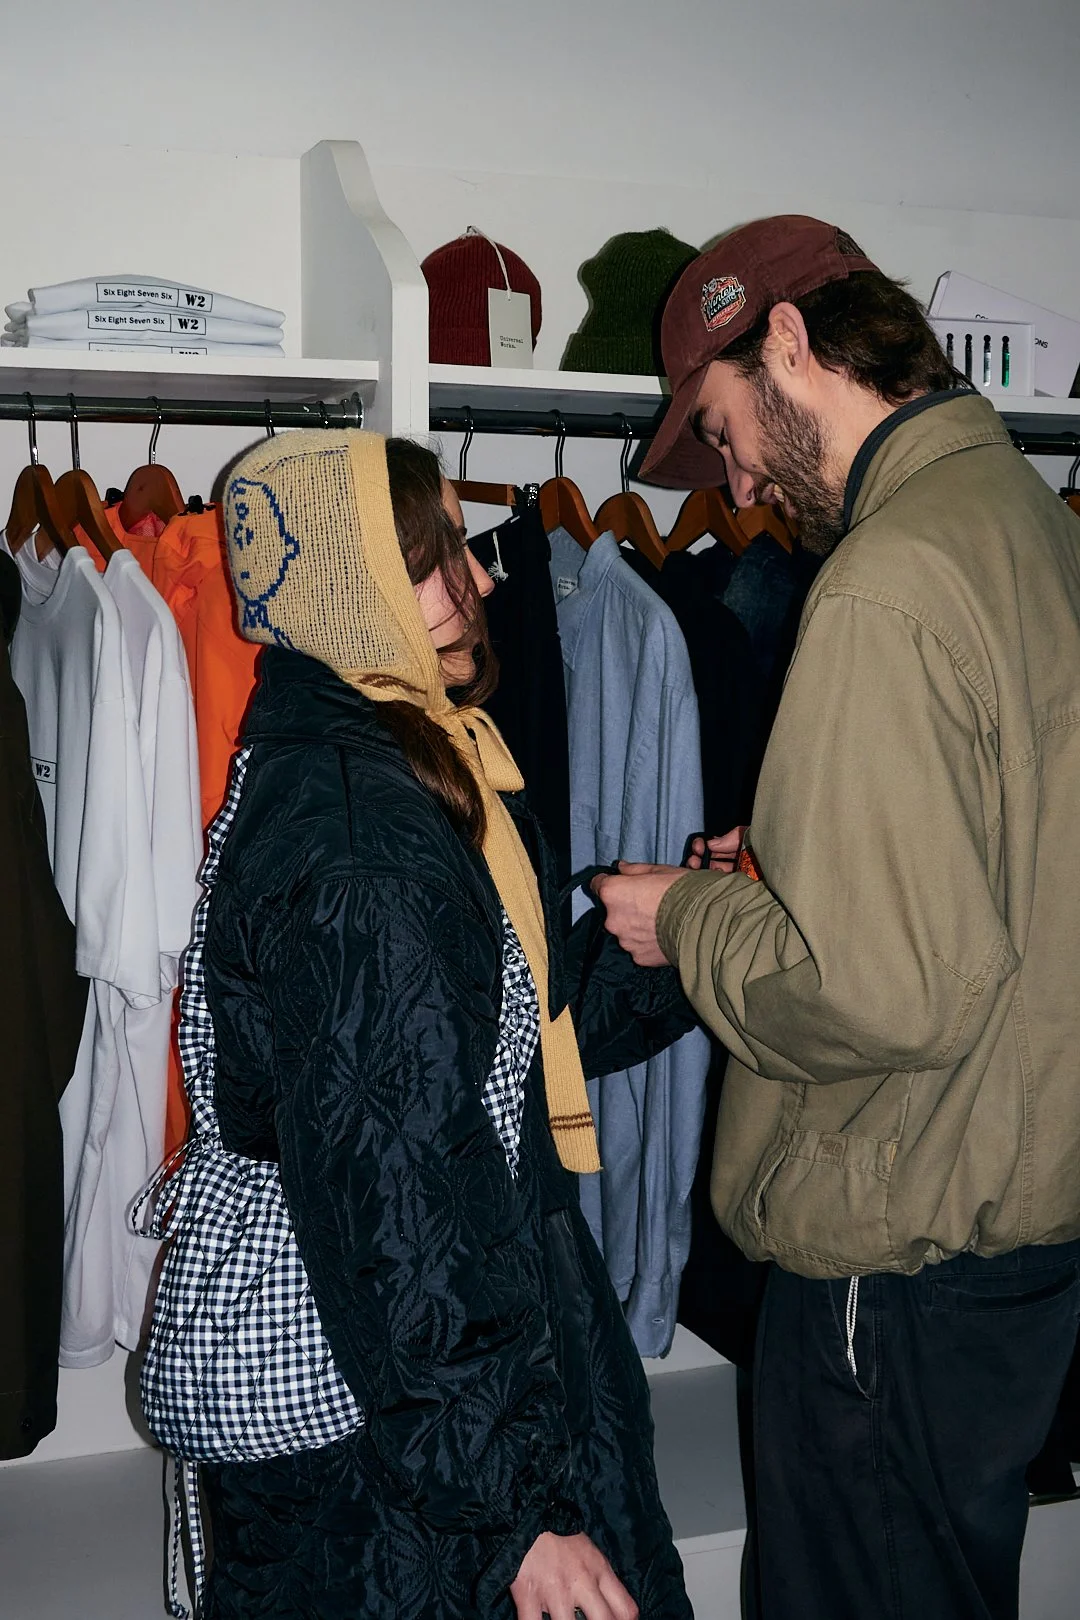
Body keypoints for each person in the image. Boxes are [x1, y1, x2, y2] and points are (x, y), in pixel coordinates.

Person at [595, 215, 1080, 1620]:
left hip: (899, 1251)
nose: (738, 483)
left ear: (791, 345)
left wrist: (691, 916)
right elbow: (1009, 861)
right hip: (1015, 1236)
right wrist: (802, 862)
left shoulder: (883, 580)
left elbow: (877, 994)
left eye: (724, 430)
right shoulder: (1028, 523)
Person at [139, 429, 695, 1620]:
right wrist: (512, 1515)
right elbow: (403, 1195)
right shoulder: (365, 839)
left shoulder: (390, 764)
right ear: (360, 590)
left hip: (414, 1423)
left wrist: (686, 937)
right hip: (390, 1468)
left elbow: (485, 1059)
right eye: (443, 556)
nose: (482, 577)